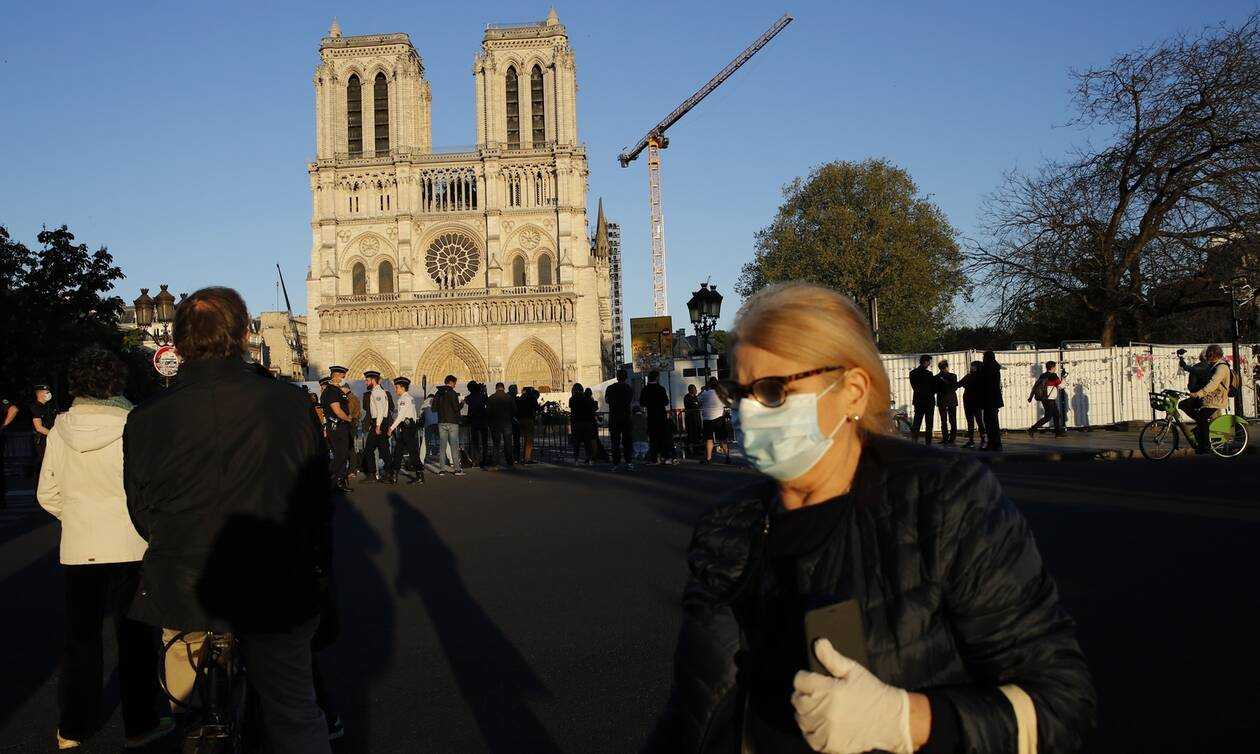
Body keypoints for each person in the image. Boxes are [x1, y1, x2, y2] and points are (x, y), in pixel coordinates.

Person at [645, 281, 1094, 753]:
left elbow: (1062, 706)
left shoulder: (942, 502)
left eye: (774, 391)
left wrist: (905, 721)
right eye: (739, 393)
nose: (749, 414)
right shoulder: (729, 526)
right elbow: (693, 711)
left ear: (853, 392)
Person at [123, 287, 334, 753]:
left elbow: (140, 510)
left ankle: (197, 724)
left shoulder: (145, 417)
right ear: (242, 336)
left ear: (179, 343)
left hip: (184, 583)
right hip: (277, 580)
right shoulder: (289, 403)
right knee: (293, 711)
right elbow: (317, 499)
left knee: (192, 709)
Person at [37, 348, 173, 750]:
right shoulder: (134, 425)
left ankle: (74, 727)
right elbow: (149, 488)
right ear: (117, 381)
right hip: (130, 543)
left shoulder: (59, 429)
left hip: (80, 546)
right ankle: (140, 723)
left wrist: (77, 516)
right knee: (136, 638)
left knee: (80, 640)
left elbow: (47, 493)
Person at [1186, 344, 1231, 454]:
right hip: (1209, 398)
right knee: (1185, 405)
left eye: (1208, 354)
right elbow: (1199, 373)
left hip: (1216, 400)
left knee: (1201, 418)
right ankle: (1200, 433)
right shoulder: (1212, 366)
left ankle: (1206, 445)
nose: (1206, 356)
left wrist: (1198, 394)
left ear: (1213, 354)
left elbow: (1213, 384)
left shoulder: (1221, 368)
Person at [321, 367, 353, 491]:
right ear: (335, 375)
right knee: (341, 454)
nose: (343, 378)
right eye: (341, 375)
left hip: (340, 426)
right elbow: (337, 410)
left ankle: (339, 481)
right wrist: (347, 418)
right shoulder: (332, 390)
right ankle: (328, 478)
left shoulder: (336, 390)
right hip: (337, 426)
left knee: (343, 455)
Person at [359, 370, 394, 483]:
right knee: (383, 450)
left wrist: (377, 426)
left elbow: (380, 410)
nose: (366, 383)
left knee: (369, 449)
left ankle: (374, 474)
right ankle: (388, 473)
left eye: (367, 380)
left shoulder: (377, 392)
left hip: (379, 422)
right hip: (381, 422)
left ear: (373, 380)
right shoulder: (379, 391)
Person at [388, 377, 424, 484]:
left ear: (403, 388)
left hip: (406, 427)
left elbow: (401, 416)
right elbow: (414, 414)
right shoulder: (410, 398)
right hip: (409, 426)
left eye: (397, 387)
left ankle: (419, 475)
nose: (396, 390)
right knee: (399, 451)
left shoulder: (403, 399)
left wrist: (391, 428)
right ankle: (395, 475)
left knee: (410, 451)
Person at [432, 374, 464, 476]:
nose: (455, 385)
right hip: (453, 422)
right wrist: (462, 403)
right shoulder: (453, 393)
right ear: (451, 382)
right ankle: (457, 469)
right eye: (454, 383)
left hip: (441, 422)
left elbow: (433, 408)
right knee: (454, 446)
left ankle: (442, 469)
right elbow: (456, 408)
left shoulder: (438, 393)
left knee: (442, 446)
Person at [604, 369, 635, 470]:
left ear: (617, 377)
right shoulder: (629, 388)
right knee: (627, 441)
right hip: (626, 417)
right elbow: (630, 400)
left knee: (615, 442)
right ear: (626, 378)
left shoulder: (610, 388)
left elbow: (607, 400)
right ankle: (629, 462)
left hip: (614, 417)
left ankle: (616, 463)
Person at [640, 370, 673, 463]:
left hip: (651, 415)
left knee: (653, 437)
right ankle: (664, 456)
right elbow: (666, 402)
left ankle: (654, 457)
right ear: (657, 378)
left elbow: (642, 402)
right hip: (661, 415)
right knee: (663, 437)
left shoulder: (645, 389)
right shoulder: (661, 389)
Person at [1028, 361, 1066, 437]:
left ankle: (1058, 433)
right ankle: (1032, 429)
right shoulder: (1053, 375)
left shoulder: (1042, 375)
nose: (1055, 368)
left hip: (1044, 398)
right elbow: (1060, 386)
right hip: (1050, 399)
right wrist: (1063, 378)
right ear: (1052, 368)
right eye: (1055, 367)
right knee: (1048, 417)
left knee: (1056, 415)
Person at [958, 360, 986, 449]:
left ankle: (972, 441)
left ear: (977, 367)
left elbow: (958, 384)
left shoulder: (969, 376)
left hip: (969, 401)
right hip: (976, 402)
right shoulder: (982, 377)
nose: (971, 367)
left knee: (971, 422)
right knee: (979, 421)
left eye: (972, 366)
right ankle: (983, 440)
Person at [487, 382, 516, 467]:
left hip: (495, 424)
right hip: (507, 423)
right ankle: (510, 462)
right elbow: (514, 410)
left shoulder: (491, 398)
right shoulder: (509, 397)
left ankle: (495, 462)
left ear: (496, 388)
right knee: (508, 443)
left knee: (496, 444)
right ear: (503, 388)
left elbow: (488, 411)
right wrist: (510, 417)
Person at [980, 350, 1005, 451]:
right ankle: (996, 443)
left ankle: (993, 443)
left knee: (989, 422)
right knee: (994, 422)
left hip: (988, 399)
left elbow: (984, 383)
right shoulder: (995, 367)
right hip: (995, 399)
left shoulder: (986, 368)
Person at [908, 355, 936, 445]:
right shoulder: (929, 374)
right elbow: (933, 387)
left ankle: (914, 441)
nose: (929, 364)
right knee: (929, 423)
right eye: (929, 362)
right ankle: (928, 443)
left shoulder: (912, 373)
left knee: (917, 422)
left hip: (918, 400)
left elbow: (914, 387)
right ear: (926, 362)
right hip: (929, 401)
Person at [31, 382, 58, 470]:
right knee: (42, 462)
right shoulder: (35, 407)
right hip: (41, 440)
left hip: (49, 438)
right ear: (40, 394)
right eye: (47, 392)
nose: (49, 394)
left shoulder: (48, 406)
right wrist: (54, 434)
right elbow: (39, 427)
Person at [700, 377, 727, 463]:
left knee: (709, 439)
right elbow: (726, 403)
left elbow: (698, 401)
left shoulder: (705, 393)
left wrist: (704, 389)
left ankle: (708, 458)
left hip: (707, 419)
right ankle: (727, 456)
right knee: (722, 439)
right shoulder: (721, 394)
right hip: (719, 418)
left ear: (709, 384)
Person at [569, 383, 597, 464]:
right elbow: (592, 407)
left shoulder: (572, 399)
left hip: (576, 423)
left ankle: (576, 460)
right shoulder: (587, 397)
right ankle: (589, 459)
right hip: (587, 422)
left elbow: (571, 408)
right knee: (587, 442)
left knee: (576, 442)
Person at [466, 381, 490, 468]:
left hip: (474, 421)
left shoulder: (469, 398)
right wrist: (484, 391)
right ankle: (485, 459)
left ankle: (476, 460)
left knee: (475, 442)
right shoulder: (482, 396)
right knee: (484, 442)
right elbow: (487, 403)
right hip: (483, 421)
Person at [935, 359, 959, 444]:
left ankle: (945, 438)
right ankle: (952, 438)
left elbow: (935, 390)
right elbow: (955, 387)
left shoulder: (936, 377)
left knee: (943, 420)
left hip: (941, 400)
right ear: (947, 367)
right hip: (951, 400)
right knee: (953, 420)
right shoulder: (953, 376)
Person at [516, 386, 540, 464]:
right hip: (529, 420)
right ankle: (527, 458)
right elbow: (537, 408)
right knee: (529, 440)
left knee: (524, 440)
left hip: (520, 420)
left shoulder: (520, 398)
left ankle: (521, 457)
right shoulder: (531, 398)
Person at [683, 384, 702, 458]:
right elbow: (692, 405)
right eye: (694, 389)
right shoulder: (687, 397)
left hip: (697, 418)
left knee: (697, 434)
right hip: (690, 419)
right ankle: (689, 450)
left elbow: (699, 404)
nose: (696, 390)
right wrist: (696, 404)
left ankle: (697, 449)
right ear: (690, 390)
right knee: (691, 434)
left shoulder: (695, 397)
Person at [422, 394, 440, 465]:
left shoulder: (425, 403)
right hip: (437, 424)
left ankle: (424, 457)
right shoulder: (437, 402)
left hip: (428, 425)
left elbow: (421, 414)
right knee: (443, 441)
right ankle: (448, 458)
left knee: (425, 442)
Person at [508, 384, 522, 458]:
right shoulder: (516, 400)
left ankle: (512, 455)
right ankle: (515, 455)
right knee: (515, 440)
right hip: (513, 421)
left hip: (509, 422)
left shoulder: (508, 398)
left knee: (511, 440)